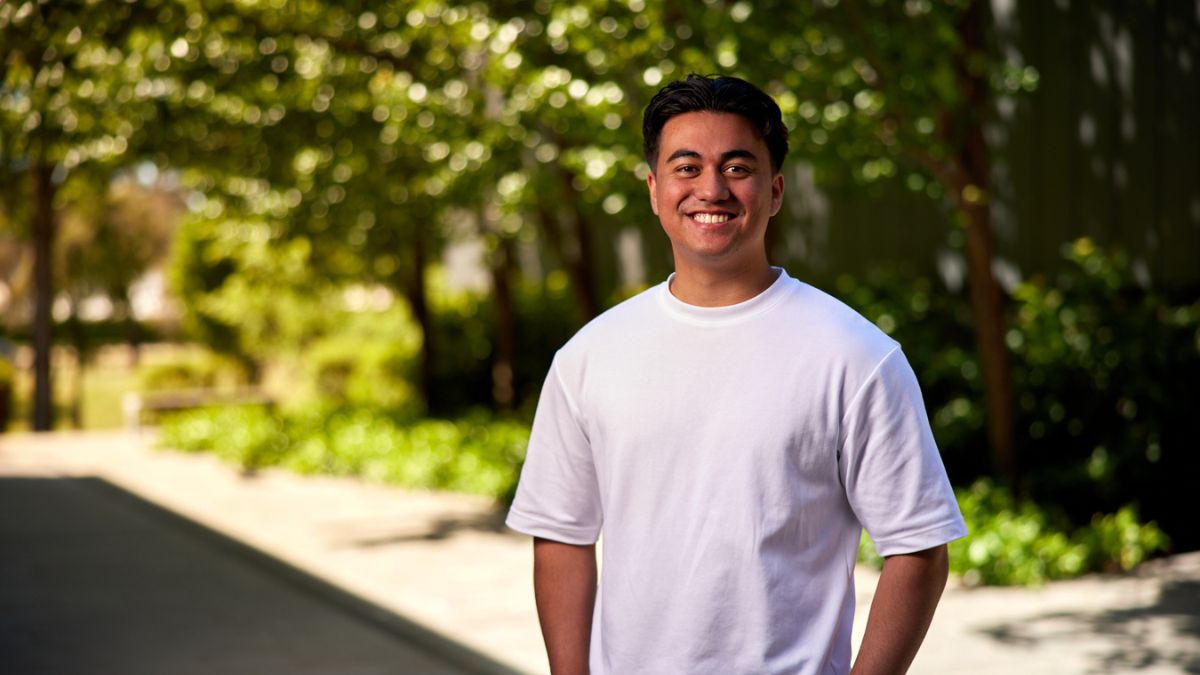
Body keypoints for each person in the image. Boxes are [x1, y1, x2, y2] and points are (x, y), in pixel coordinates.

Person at [506, 74, 967, 675]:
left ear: (775, 190)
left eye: (738, 167)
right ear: (654, 189)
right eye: (687, 167)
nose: (712, 189)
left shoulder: (854, 355)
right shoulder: (589, 356)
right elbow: (563, 535)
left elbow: (919, 548)